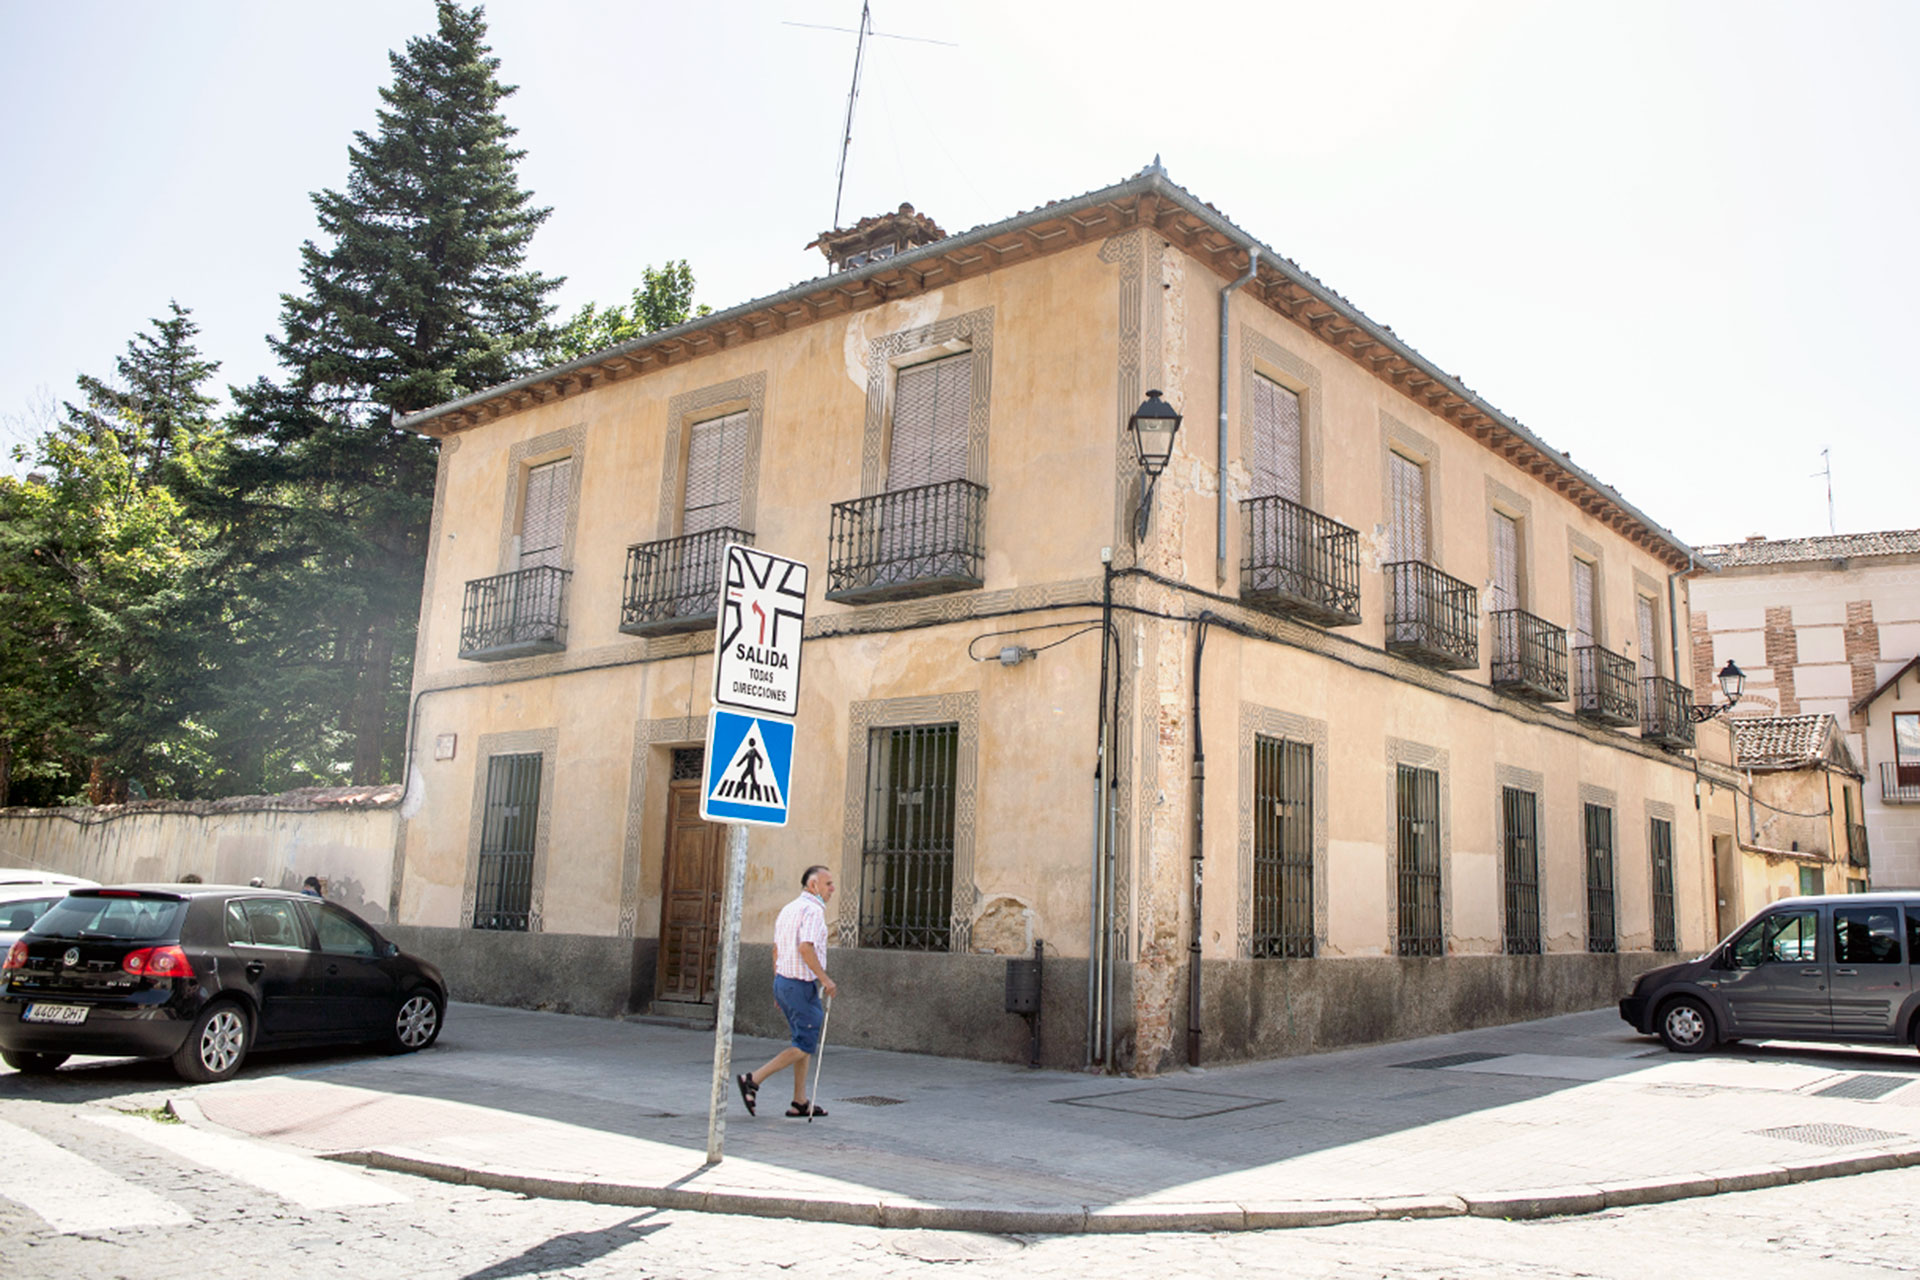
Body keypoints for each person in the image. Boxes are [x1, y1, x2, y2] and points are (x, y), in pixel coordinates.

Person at [737, 865, 837, 1119]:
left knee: (803, 1040)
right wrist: (826, 980)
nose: (832, 889)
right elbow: (805, 948)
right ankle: (753, 1079)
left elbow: (776, 950)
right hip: (801, 985)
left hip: (784, 982)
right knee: (804, 1043)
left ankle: (800, 1101)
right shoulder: (813, 911)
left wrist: (778, 986)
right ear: (813, 885)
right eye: (828, 884)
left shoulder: (788, 909)